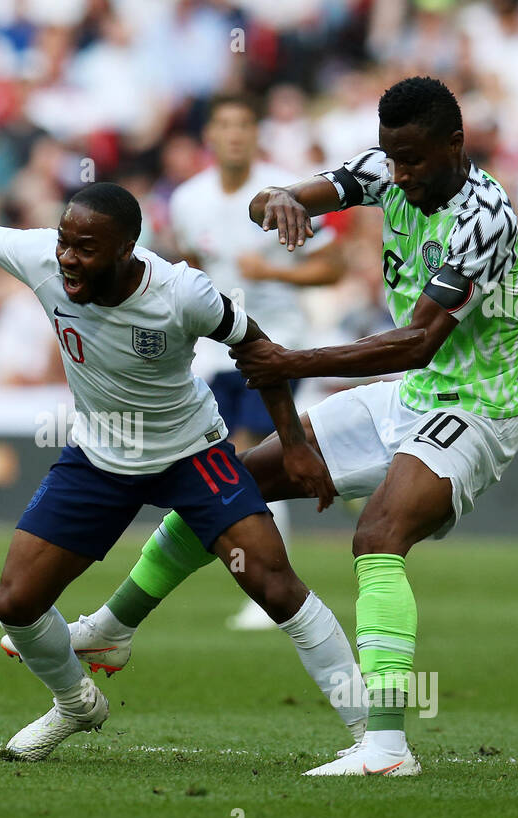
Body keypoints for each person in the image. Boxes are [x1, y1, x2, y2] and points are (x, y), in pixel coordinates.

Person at [0, 147, 367, 762]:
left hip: (191, 452)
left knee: (274, 583)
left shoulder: (182, 292)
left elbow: (259, 350)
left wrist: (292, 445)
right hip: (100, 457)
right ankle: (75, 702)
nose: (68, 259)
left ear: (128, 248)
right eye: (65, 243)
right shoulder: (44, 258)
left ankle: (373, 738)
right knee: (16, 604)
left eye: (85, 249)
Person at [54, 76, 518, 777]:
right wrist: (276, 199)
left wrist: (290, 360)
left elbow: (418, 340)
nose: (399, 176)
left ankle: (388, 748)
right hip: (409, 396)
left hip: (475, 408)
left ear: (455, 145)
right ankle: (114, 628)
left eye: (414, 162)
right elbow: (274, 198)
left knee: (378, 533)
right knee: (231, 487)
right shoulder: (383, 170)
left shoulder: (486, 217)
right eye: (392, 160)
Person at [169, 92, 344, 630]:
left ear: (255, 133)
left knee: (251, 459)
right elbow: (189, 269)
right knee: (227, 464)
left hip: (273, 345)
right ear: (211, 136)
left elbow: (332, 267)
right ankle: (266, 586)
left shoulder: (284, 192)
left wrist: (275, 275)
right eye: (224, 125)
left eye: (244, 124)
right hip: (215, 353)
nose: (235, 134)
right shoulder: (187, 199)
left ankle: (273, 592)